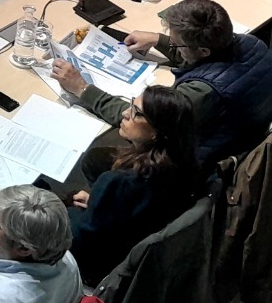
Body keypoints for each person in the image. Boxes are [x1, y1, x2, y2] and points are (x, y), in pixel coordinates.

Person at [52, 0, 272, 169]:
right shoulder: (251, 43)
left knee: (94, 160)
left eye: (175, 43)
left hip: (209, 161)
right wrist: (157, 40)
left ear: (203, 50)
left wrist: (82, 88)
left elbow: (138, 119)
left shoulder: (197, 94)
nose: (172, 44)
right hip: (250, 132)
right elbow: (206, 61)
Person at [66, 86, 199, 286]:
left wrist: (94, 206)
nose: (125, 113)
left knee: (58, 207)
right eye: (131, 104)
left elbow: (81, 242)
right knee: (94, 160)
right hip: (140, 234)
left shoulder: (118, 182)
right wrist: (100, 203)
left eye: (137, 113)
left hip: (101, 263)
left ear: (156, 132)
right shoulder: (184, 161)